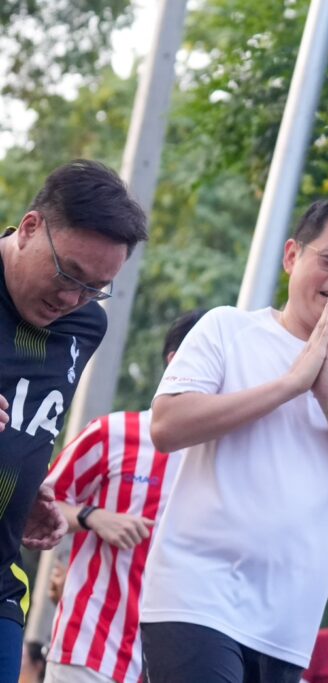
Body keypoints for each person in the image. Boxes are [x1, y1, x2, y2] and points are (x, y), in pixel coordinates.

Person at [139, 193, 328, 683]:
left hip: (287, 626)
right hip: (194, 596)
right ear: (292, 256)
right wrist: (290, 385)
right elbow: (167, 426)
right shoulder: (226, 329)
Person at [0, 160, 147, 681]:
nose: (71, 299)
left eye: (94, 287)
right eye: (68, 274)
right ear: (30, 227)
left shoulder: (85, 325)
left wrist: (23, 485)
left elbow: (29, 423)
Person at [41, 309, 206, 683]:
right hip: (89, 649)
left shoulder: (225, 458)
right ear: (176, 362)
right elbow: (36, 506)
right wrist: (92, 516)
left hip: (171, 664)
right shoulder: (113, 432)